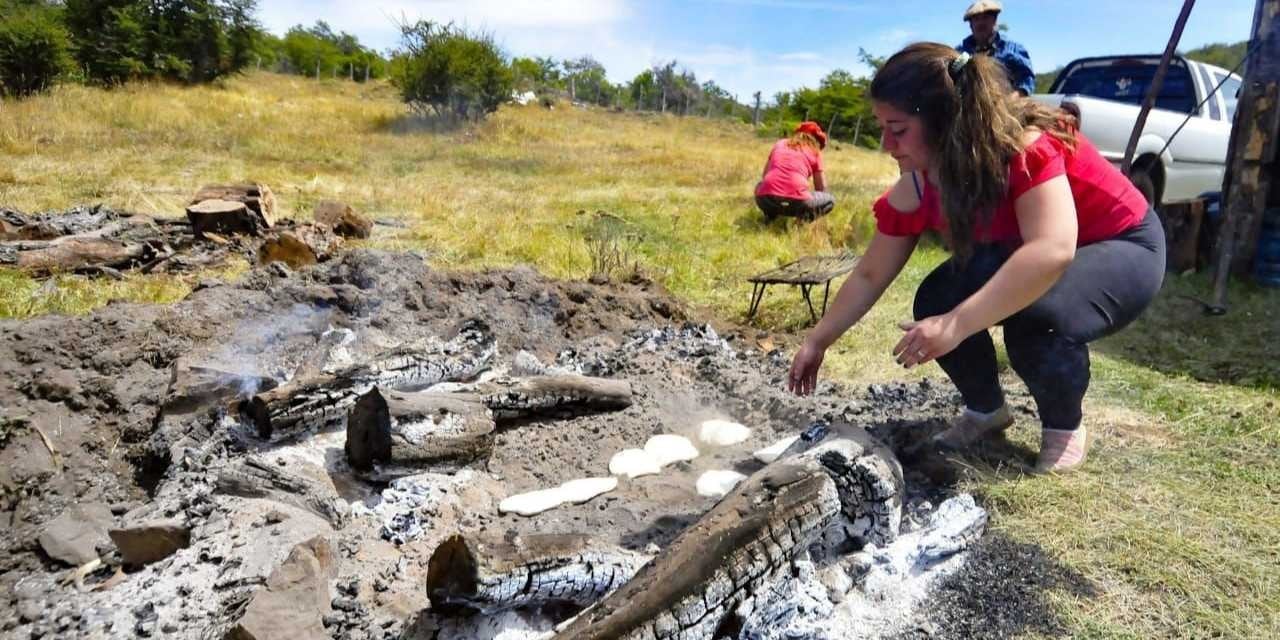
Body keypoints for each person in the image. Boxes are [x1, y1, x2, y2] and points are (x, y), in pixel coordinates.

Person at [786, 43, 1165, 473]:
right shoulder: (920, 180)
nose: (886, 144)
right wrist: (818, 340)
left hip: (1122, 244)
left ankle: (1063, 426)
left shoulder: (1023, 148)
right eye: (881, 127)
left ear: (944, 120)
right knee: (937, 298)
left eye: (898, 128)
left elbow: (1052, 250)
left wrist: (957, 325)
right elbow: (872, 273)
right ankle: (987, 411)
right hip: (1032, 249)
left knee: (1037, 317)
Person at [755, 121, 835, 222]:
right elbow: (821, 187)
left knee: (760, 186)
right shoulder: (815, 151)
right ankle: (800, 224)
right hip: (798, 204)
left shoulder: (780, 143)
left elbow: (765, 175)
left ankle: (770, 216)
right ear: (816, 140)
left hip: (766, 200)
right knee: (830, 200)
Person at [958, 0, 1035, 96]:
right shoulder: (962, 53)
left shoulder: (1012, 49)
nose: (981, 23)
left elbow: (1027, 80)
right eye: (976, 19)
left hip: (1006, 106)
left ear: (995, 20)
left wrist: (1012, 99)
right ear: (970, 25)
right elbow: (951, 74)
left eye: (985, 18)